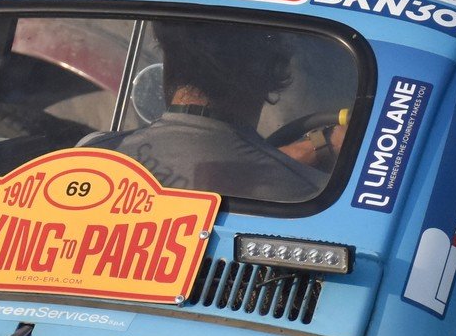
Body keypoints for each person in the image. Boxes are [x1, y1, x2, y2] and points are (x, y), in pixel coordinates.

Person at [89, 22, 340, 201]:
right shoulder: (309, 193)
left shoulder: (92, 155)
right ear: (270, 74)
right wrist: (321, 145)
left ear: (169, 63)